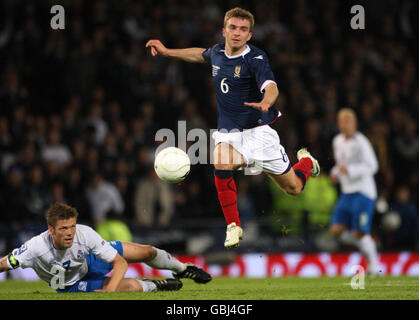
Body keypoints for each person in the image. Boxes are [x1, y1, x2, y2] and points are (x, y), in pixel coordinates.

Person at [146, 7, 320, 248]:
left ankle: (307, 161)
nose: (237, 33)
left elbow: (271, 86)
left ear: (249, 35)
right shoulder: (217, 53)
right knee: (221, 159)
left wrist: (267, 101)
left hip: (259, 134)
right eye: (233, 28)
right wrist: (167, 51)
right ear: (224, 30)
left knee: (294, 188)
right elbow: (199, 54)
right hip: (229, 134)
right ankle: (233, 226)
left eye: (243, 29)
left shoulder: (256, 58)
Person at [0, 202, 212, 293]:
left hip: (88, 261)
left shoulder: (84, 233)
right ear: (51, 230)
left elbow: (119, 262)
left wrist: (110, 290)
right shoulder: (35, 247)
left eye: (72, 226)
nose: (70, 232)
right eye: (63, 228)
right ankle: (158, 286)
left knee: (146, 251)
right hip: (71, 285)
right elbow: (5, 263)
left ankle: (184, 269)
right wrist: (112, 289)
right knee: (130, 286)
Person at [329, 108, 380, 275]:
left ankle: (373, 265)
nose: (344, 124)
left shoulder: (361, 142)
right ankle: (365, 242)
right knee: (336, 230)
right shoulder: (337, 141)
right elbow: (340, 164)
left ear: (354, 124)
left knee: (359, 233)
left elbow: (373, 166)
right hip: (347, 192)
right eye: (341, 121)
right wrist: (335, 173)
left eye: (347, 121)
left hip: (363, 192)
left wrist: (350, 170)